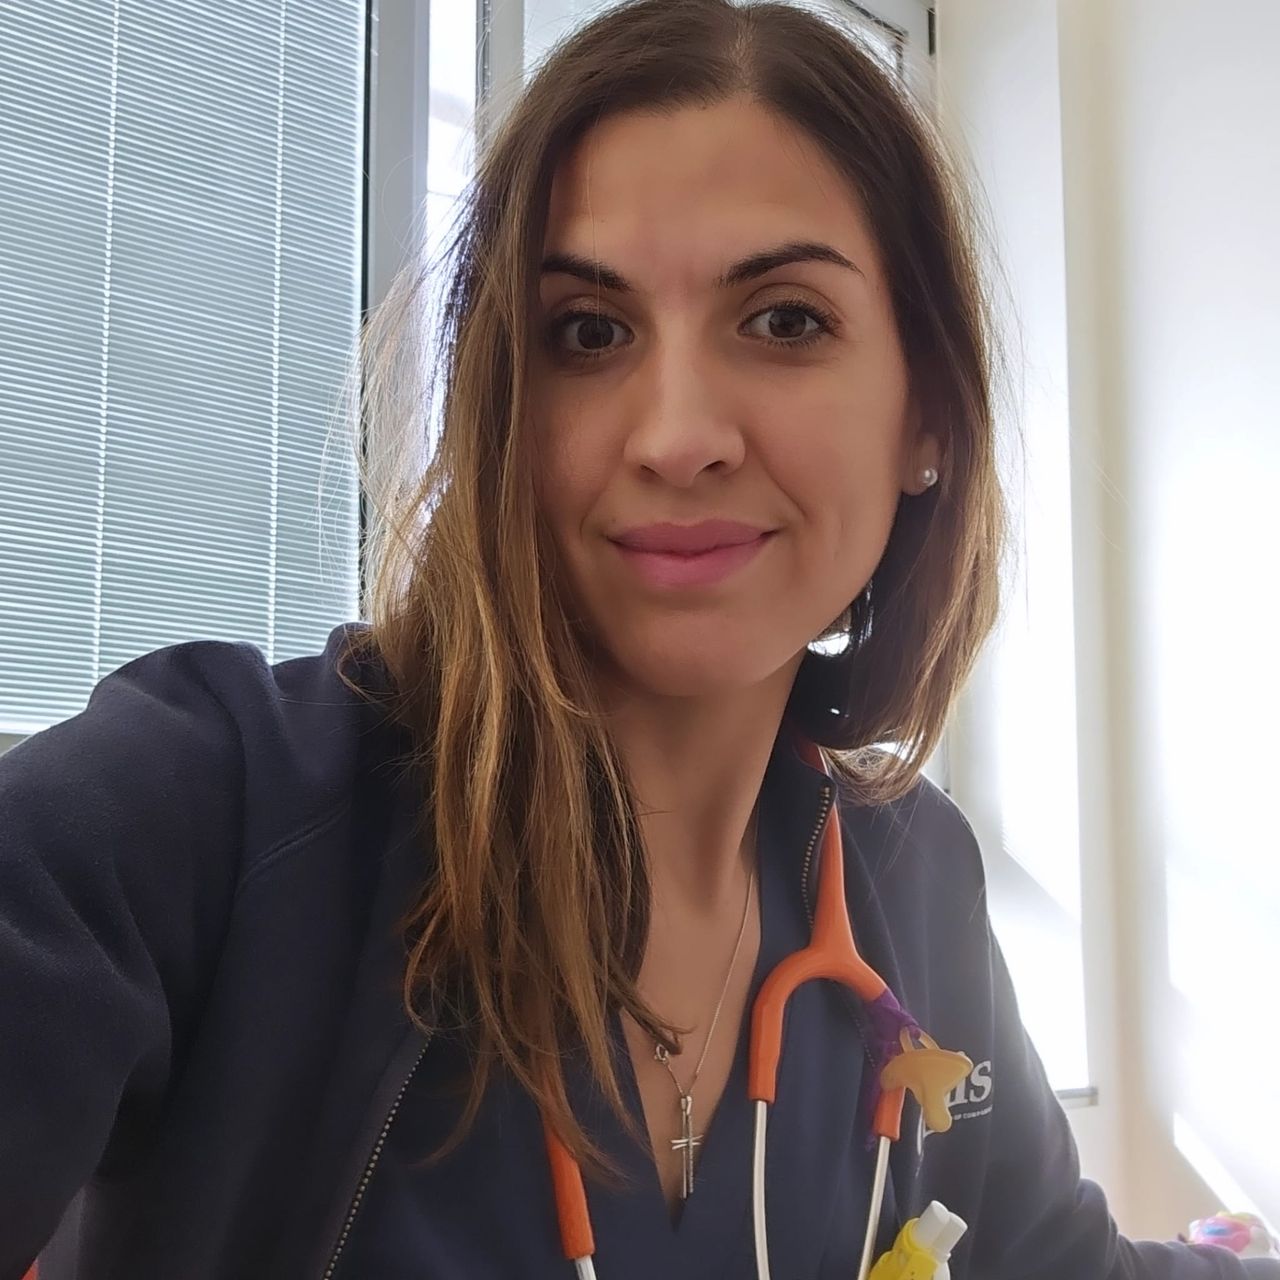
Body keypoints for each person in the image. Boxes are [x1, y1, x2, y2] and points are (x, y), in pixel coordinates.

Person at [1, 1, 1274, 1277]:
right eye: (587, 332)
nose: (675, 437)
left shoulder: (913, 884)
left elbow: (1053, 1261)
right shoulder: (208, 812)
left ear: (927, 416)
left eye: (783, 320)